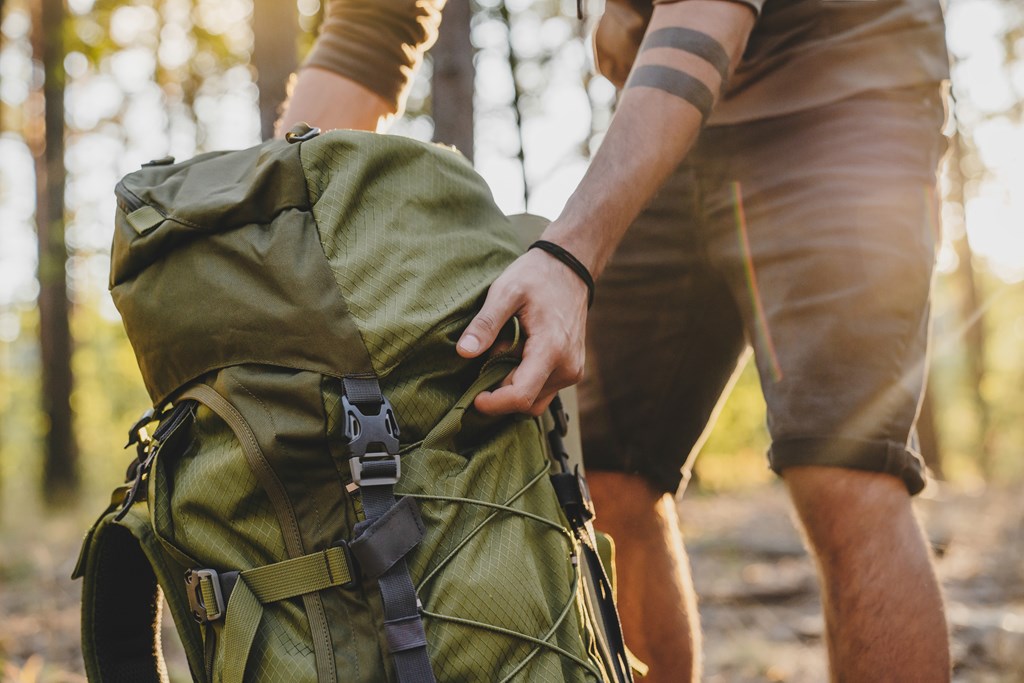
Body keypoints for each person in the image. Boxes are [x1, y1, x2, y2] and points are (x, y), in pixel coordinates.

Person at [279, 0, 952, 680]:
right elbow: (374, 24)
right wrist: (262, 223)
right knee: (608, 476)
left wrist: (569, 256)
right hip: (677, 119)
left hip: (844, 94)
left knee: (843, 465)